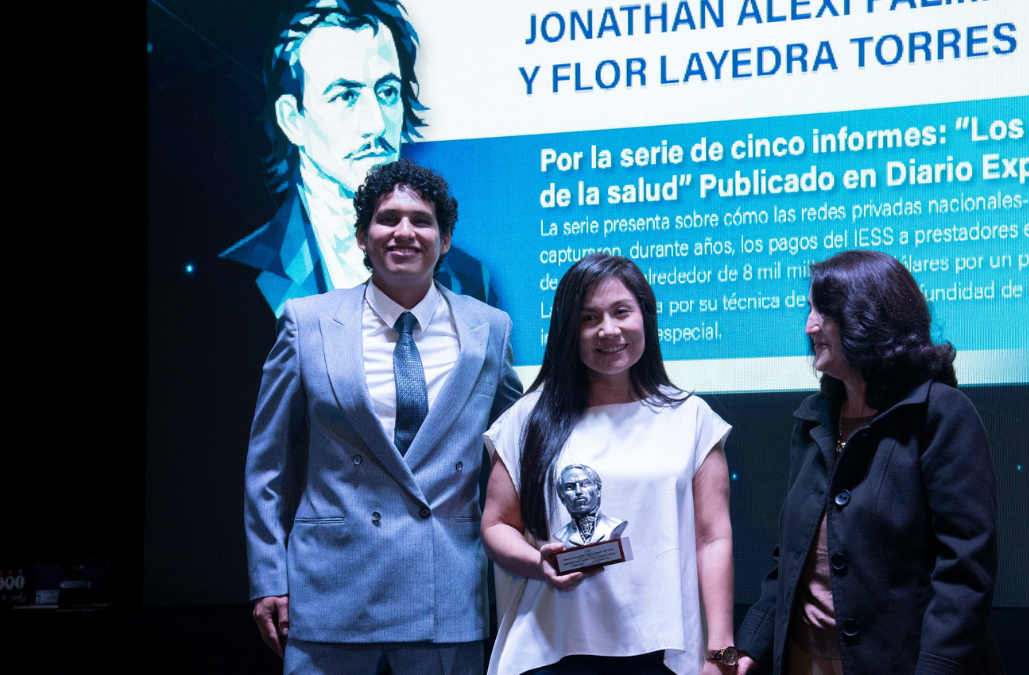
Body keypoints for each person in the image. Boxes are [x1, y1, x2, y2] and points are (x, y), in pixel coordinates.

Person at [244, 159, 523, 674]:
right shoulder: (307, 323)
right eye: (388, 218)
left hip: (445, 590)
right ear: (361, 236)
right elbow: (268, 465)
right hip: (329, 589)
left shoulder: (490, 328)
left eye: (421, 221)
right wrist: (268, 578)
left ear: (445, 239)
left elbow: (522, 445)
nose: (404, 232)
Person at [735, 250, 998, 675]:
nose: (809, 326)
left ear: (867, 317)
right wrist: (748, 646)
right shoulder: (814, 417)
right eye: (809, 310)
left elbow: (963, 573)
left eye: (823, 312)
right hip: (802, 661)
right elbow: (792, 557)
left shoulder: (941, 414)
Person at [480, 253, 739, 675]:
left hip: (661, 654)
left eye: (622, 312)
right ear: (568, 329)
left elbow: (713, 540)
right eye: (589, 318)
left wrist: (721, 651)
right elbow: (496, 526)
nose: (608, 330)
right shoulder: (526, 419)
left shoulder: (691, 418)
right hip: (552, 651)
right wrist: (539, 563)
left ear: (645, 318)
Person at [222, 0, 494, 316]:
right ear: (293, 119)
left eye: (387, 92)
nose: (376, 124)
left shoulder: (467, 280)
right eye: (346, 96)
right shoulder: (238, 277)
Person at [553, 464, 628, 547]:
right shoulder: (561, 535)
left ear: (598, 489)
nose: (578, 491)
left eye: (585, 484)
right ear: (562, 498)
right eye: (570, 487)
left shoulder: (615, 525)